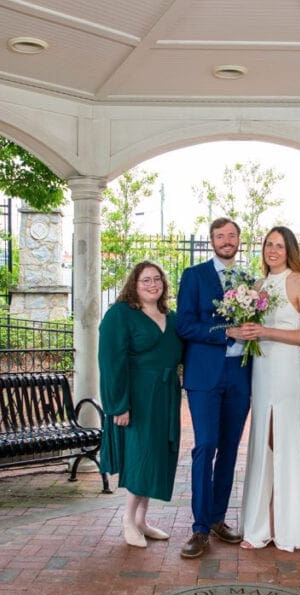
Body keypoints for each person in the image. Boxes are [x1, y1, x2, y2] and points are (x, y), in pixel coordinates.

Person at [233, 226, 300, 551]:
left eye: (279, 245)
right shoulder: (257, 285)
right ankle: (260, 525)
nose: (272, 250)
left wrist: (266, 331)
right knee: (262, 441)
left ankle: (286, 526)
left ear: (290, 250)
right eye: (268, 244)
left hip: (287, 369)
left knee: (281, 438)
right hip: (262, 369)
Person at [175, 218, 251, 559]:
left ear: (239, 240)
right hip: (205, 375)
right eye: (220, 236)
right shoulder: (194, 276)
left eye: (232, 235)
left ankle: (219, 518)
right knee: (205, 446)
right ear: (211, 241)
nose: (227, 240)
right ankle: (200, 528)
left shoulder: (250, 279)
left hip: (241, 373)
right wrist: (225, 332)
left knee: (230, 449)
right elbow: (185, 324)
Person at [98, 261, 183, 547]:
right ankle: (127, 520)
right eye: (145, 280)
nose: (152, 284)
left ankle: (142, 522)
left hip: (166, 396)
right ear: (134, 284)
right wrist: (119, 405)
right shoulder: (120, 315)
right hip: (137, 397)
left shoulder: (170, 316)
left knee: (156, 457)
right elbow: (110, 362)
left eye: (157, 279)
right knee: (140, 457)